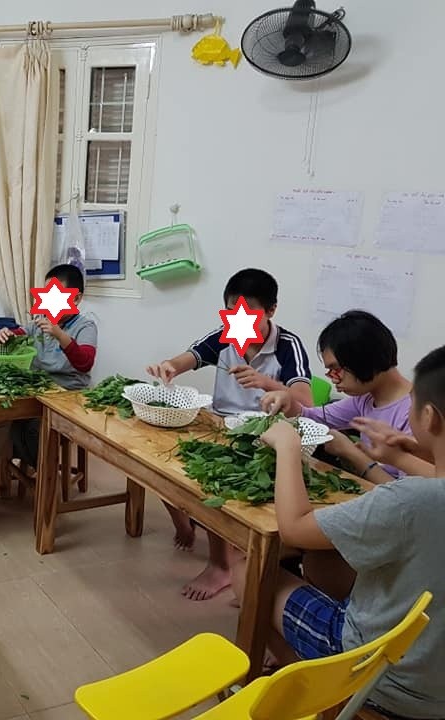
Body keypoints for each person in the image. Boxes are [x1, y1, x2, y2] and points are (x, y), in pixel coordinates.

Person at [231, 345, 445, 720]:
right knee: (323, 560)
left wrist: (287, 447)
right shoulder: (422, 493)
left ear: (429, 417)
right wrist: (401, 455)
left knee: (248, 569)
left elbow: (294, 528)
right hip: (433, 673)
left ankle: (318, 696)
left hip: (386, 676)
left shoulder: (410, 499)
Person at [146, 269, 313, 601]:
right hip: (221, 425)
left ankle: (221, 565)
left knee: (215, 484)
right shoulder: (225, 336)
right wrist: (169, 366)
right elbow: (188, 359)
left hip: (267, 435)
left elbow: (305, 402)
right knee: (162, 463)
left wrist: (266, 383)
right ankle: (188, 525)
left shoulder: (287, 345)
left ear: (271, 310)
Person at [262, 310, 412, 483]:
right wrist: (289, 402)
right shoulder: (366, 398)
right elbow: (314, 417)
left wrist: (350, 453)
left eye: (336, 369)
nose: (333, 378)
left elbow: (408, 494)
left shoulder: (414, 413)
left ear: (364, 358)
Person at [0, 263, 97, 467]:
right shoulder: (41, 321)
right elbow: (21, 333)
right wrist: (7, 334)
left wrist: (59, 334)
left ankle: (47, 476)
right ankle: (37, 468)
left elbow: (85, 363)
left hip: (69, 396)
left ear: (75, 299)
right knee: (7, 420)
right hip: (39, 391)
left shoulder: (85, 326)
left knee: (36, 429)